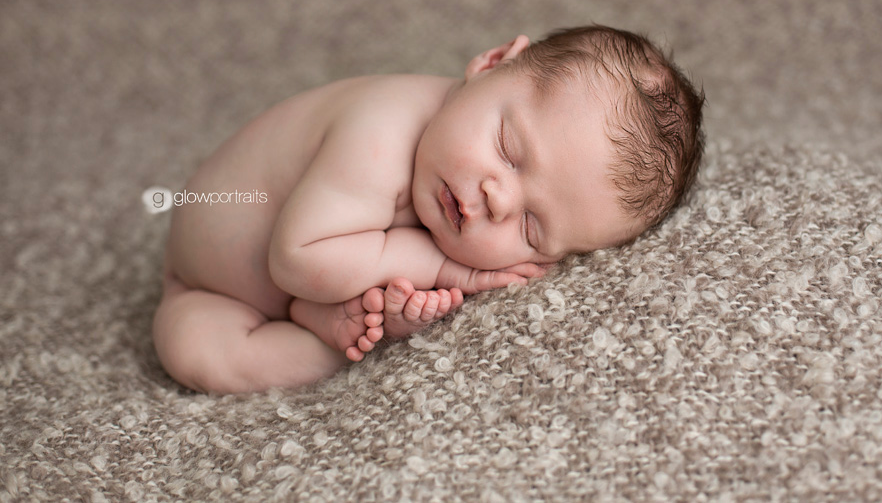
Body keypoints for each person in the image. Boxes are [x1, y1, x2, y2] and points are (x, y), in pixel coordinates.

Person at [152, 24, 705, 393]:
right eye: (509, 150)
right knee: (191, 350)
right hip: (208, 272)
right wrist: (447, 268)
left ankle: (322, 325)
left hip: (319, 266)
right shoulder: (381, 130)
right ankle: (317, 311)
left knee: (328, 355)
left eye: (533, 230)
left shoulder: (455, 173)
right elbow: (296, 259)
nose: (498, 198)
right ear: (490, 65)